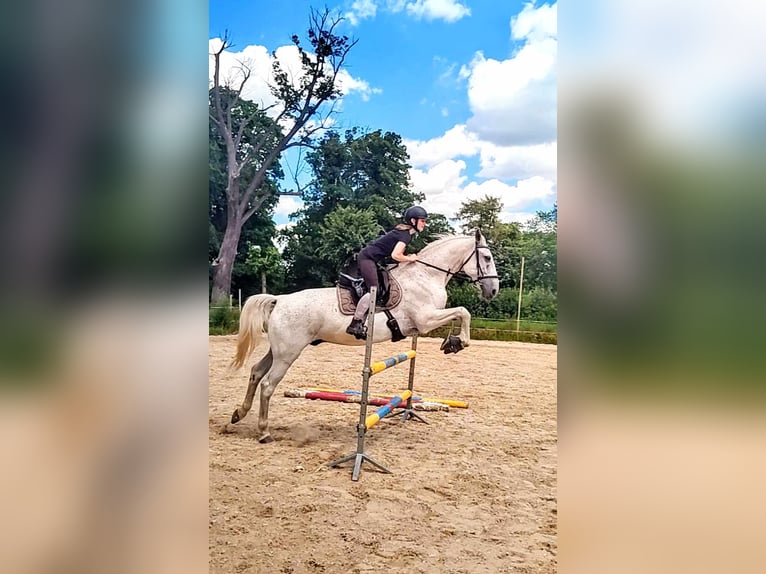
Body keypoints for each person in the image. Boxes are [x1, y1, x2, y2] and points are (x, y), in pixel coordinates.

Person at [345, 206, 428, 339]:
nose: (425, 223)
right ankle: (355, 323)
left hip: (374, 260)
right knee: (374, 290)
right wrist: (410, 258)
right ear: (413, 220)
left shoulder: (406, 233)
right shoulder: (405, 235)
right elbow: (396, 255)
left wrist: (407, 257)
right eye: (423, 220)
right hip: (367, 258)